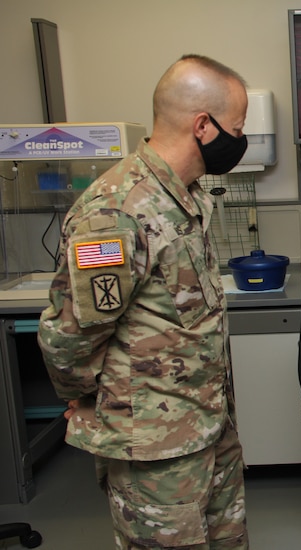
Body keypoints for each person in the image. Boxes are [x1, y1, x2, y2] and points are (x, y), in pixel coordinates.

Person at [37, 54, 250, 549]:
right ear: (203, 126)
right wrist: (84, 398)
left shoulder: (186, 197)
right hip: (156, 452)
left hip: (209, 429)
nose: (239, 141)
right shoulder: (117, 211)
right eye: (236, 129)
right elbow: (71, 336)